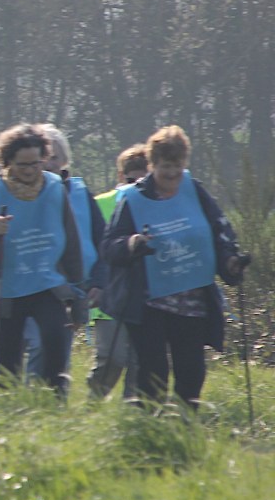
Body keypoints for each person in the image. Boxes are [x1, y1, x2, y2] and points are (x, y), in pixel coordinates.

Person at [101, 125, 243, 410]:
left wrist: (230, 261)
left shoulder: (195, 190)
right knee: (153, 372)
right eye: (166, 166)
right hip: (149, 302)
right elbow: (109, 246)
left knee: (191, 370)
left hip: (192, 301)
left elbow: (219, 230)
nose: (172, 173)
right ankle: (150, 425)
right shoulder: (132, 198)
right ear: (152, 164)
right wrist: (132, 243)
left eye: (178, 166)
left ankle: (185, 425)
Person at [0, 123, 84, 393]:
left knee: (55, 344)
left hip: (48, 286)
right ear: (7, 162)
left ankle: (52, 405)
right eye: (22, 165)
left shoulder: (55, 188)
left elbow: (72, 245)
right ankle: (7, 408)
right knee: (7, 367)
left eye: (36, 163)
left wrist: (79, 296)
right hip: (6, 292)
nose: (30, 171)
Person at [20, 124, 108, 383]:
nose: (48, 164)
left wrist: (99, 282)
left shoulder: (81, 195)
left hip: (71, 289)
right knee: (38, 345)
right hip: (30, 286)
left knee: (60, 351)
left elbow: (102, 241)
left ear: (64, 161)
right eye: (43, 157)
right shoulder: (20, 193)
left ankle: (55, 400)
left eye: (54, 157)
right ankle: (30, 396)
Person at [86, 144, 146, 400]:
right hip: (107, 298)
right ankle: (93, 400)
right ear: (120, 176)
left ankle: (133, 413)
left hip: (143, 297)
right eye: (132, 180)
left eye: (144, 180)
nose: (137, 186)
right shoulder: (100, 203)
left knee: (139, 361)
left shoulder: (156, 204)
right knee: (113, 358)